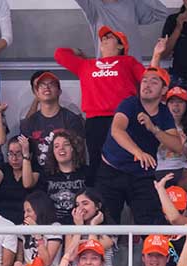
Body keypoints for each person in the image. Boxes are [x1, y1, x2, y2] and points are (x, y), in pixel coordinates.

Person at [54, 30, 150, 184]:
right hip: (95, 120)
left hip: (123, 118)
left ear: (120, 46)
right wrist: (77, 51)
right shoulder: (86, 64)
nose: (104, 39)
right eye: (102, 38)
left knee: (125, 159)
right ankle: (96, 201)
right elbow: (60, 54)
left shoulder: (128, 61)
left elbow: (149, 81)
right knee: (97, 161)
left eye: (109, 37)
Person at [97, 65, 182, 226]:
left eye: (154, 82)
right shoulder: (130, 103)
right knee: (104, 224)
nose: (147, 85)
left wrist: (154, 129)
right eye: (144, 80)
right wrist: (139, 152)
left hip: (141, 175)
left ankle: (153, 251)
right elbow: (117, 130)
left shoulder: (164, 113)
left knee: (152, 225)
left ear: (164, 90)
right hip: (111, 171)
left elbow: (177, 146)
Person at [19, 71, 85, 173]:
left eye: (51, 84)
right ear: (36, 93)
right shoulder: (28, 123)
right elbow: (24, 156)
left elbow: (79, 154)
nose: (47, 87)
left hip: (66, 178)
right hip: (39, 179)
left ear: (59, 91)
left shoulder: (72, 119)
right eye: (42, 85)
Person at [0, 135, 35, 224]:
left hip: (25, 220)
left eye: (19, 154)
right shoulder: (4, 168)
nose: (14, 158)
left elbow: (27, 184)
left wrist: (26, 156)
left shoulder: (34, 168)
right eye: (11, 153)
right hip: (2, 221)